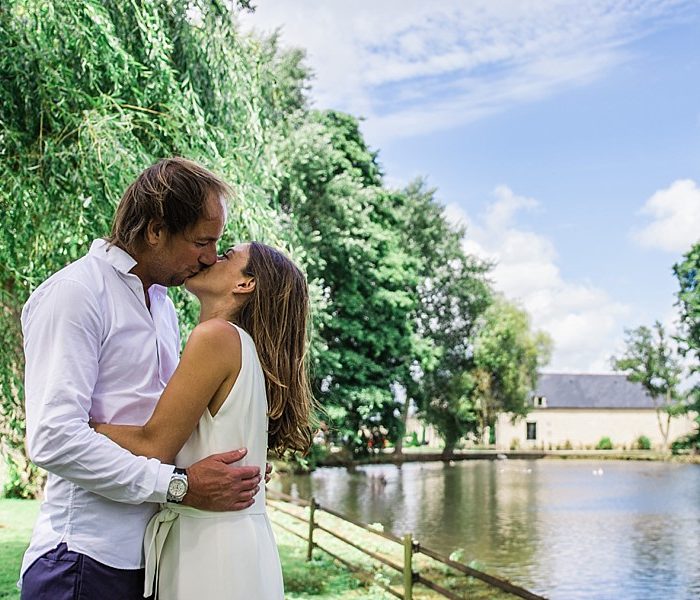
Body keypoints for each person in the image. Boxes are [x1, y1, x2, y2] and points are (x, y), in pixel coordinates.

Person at [20, 158, 266, 600]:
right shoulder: (76, 294)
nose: (210, 257)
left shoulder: (163, 305)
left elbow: (167, 425)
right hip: (84, 560)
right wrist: (178, 486)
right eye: (201, 242)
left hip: (151, 559)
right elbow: (53, 437)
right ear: (155, 231)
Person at [91, 241, 314, 599]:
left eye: (227, 256)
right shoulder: (245, 349)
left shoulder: (216, 337)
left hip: (211, 547)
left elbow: (154, 444)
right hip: (238, 541)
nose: (211, 257)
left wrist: (82, 429)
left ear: (245, 284)